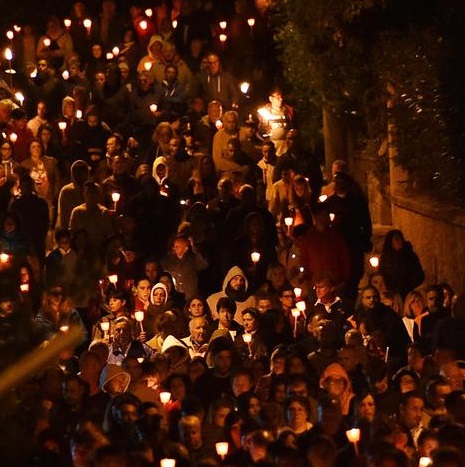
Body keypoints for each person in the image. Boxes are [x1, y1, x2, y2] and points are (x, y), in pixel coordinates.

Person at [379, 229, 425, 299]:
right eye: (397, 239)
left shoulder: (410, 256)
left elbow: (420, 276)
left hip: (406, 294)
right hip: (391, 295)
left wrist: (407, 286)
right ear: (391, 242)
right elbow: (382, 274)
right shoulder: (385, 258)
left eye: (401, 238)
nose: (400, 241)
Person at [257, 88, 294, 156]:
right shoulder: (265, 112)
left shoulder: (287, 111)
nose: (281, 99)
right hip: (272, 146)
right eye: (278, 97)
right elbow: (260, 131)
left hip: (285, 145)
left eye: (281, 97)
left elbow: (292, 126)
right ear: (271, 98)